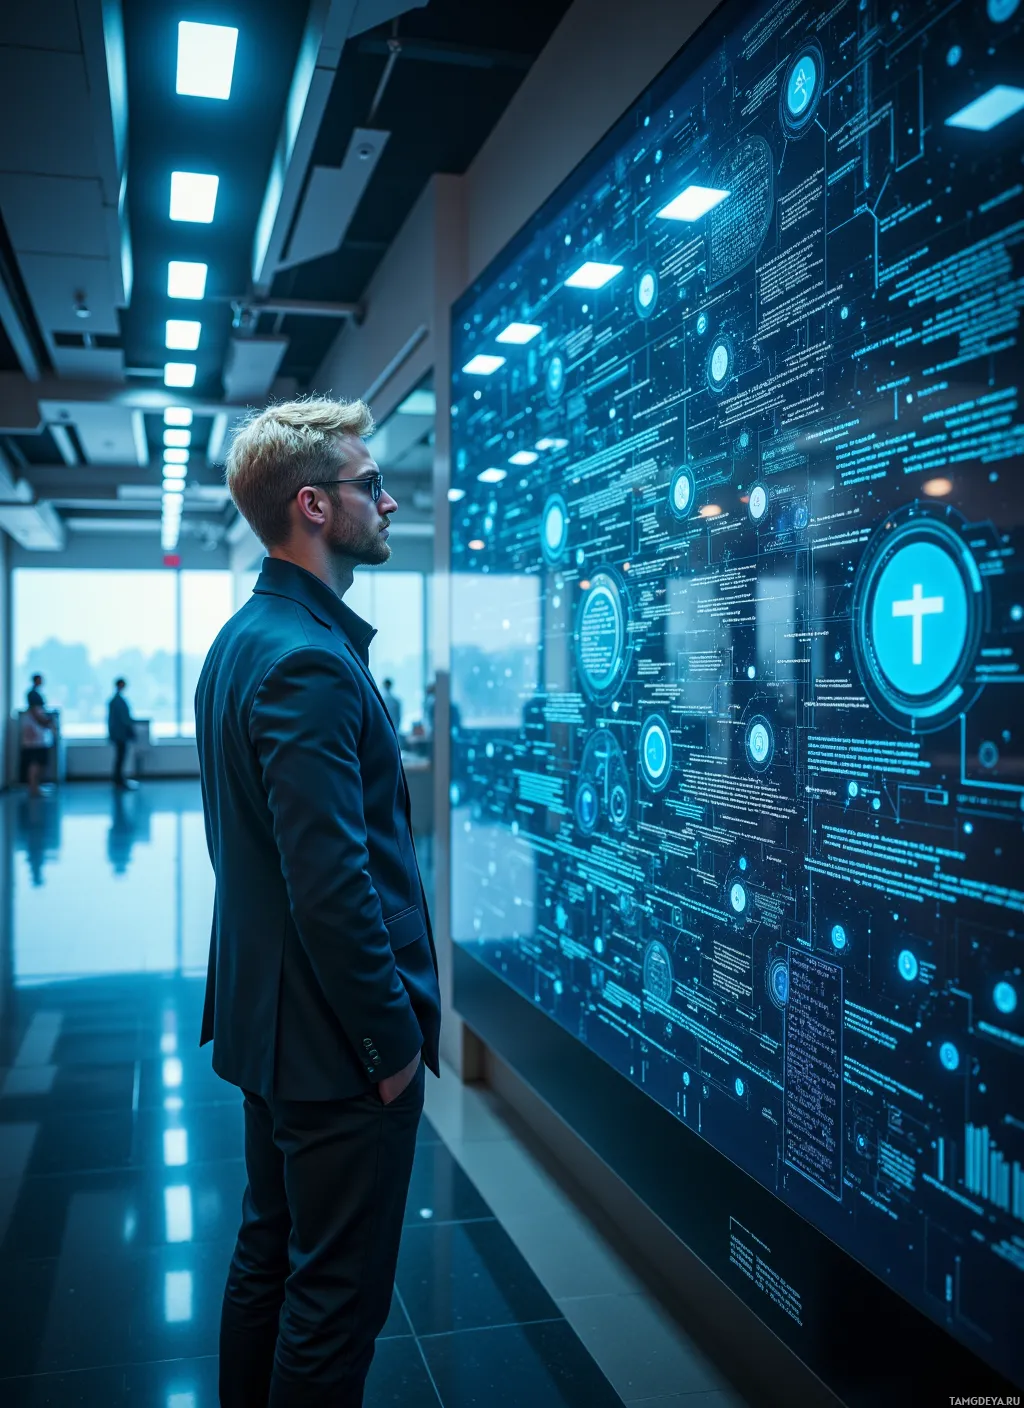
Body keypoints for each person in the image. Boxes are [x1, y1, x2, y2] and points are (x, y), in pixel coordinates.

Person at [195, 397, 441, 1408]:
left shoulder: (242, 640)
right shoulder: (307, 661)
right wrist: (390, 1051)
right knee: (332, 1303)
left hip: (271, 1029)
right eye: (367, 484)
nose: (386, 499)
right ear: (312, 505)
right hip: (336, 1047)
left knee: (270, 1254)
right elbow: (332, 887)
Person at [21, 674, 54, 798]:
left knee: (38, 761)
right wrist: (46, 722)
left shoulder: (35, 694)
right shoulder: (33, 695)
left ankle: (35, 786)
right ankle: (33, 787)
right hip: (35, 734)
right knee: (35, 761)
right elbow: (36, 713)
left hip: (37, 733)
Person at [107, 678, 137, 790]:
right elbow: (124, 719)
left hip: (118, 734)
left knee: (120, 757)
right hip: (120, 735)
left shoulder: (115, 700)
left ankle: (118, 779)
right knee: (120, 757)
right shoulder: (117, 701)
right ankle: (118, 780)